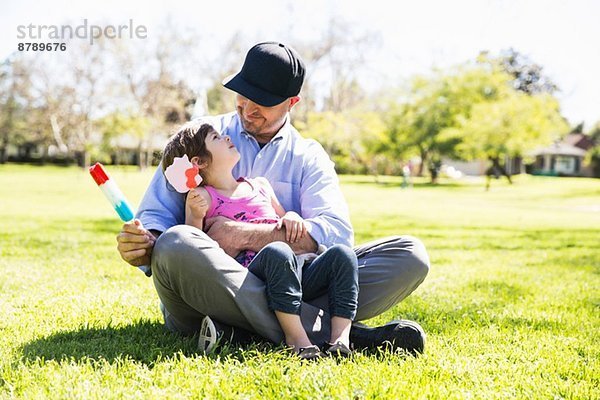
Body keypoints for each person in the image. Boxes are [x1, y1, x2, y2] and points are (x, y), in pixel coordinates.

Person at [116, 41, 430, 356]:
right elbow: (157, 219)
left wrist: (239, 234)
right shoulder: (200, 139)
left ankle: (238, 330)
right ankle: (341, 336)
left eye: (262, 103)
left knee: (409, 255)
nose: (247, 109)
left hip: (294, 275)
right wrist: (144, 243)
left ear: (291, 102)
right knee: (175, 243)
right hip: (213, 283)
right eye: (243, 95)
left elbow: (337, 234)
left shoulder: (308, 156)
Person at [160, 122, 359, 358]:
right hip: (255, 279)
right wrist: (194, 213)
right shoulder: (203, 197)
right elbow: (194, 248)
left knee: (342, 255)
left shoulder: (260, 186)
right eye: (216, 138)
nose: (226, 138)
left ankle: (340, 339)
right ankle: (298, 340)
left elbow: (283, 216)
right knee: (278, 252)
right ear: (199, 162)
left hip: (298, 271)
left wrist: (294, 217)